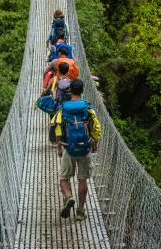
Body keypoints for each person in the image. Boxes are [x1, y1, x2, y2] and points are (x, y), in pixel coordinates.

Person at [53, 79, 101, 221]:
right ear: (82, 90)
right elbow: (96, 128)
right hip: (84, 148)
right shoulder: (87, 108)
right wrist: (95, 145)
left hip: (69, 148)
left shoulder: (63, 108)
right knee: (82, 180)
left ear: (70, 90)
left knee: (64, 179)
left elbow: (57, 129)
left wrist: (59, 147)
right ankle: (80, 211)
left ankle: (69, 197)